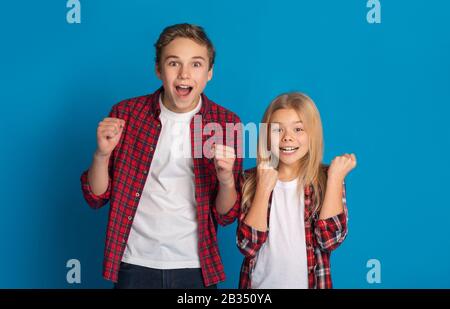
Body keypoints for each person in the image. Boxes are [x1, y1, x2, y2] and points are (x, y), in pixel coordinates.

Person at [80, 23, 242, 289]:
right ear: (158, 69)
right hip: (134, 263)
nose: (185, 74)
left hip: (195, 266)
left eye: (196, 64)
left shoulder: (225, 123)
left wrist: (226, 180)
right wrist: (101, 154)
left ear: (210, 73)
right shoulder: (126, 114)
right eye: (174, 63)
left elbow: (225, 215)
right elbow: (96, 197)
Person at [237, 92, 356, 288]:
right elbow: (247, 245)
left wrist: (335, 178)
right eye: (278, 130)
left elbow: (329, 241)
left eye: (298, 129)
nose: (287, 138)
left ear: (312, 135)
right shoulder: (249, 179)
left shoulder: (327, 179)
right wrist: (263, 189)